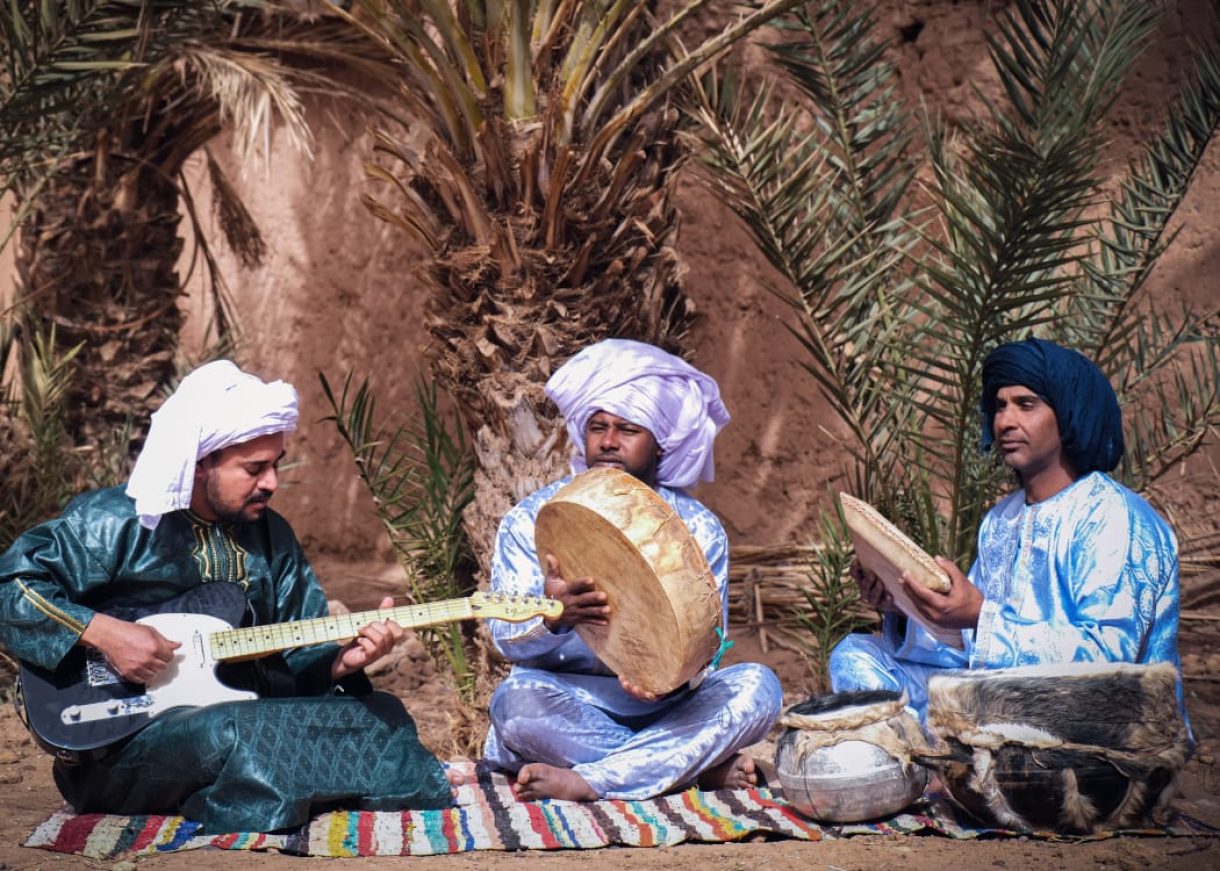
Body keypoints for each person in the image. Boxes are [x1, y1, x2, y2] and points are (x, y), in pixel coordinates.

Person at [0, 361, 452, 833]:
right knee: (239, 731)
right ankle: (266, 786)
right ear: (199, 463)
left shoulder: (272, 535)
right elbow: (13, 587)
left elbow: (299, 655)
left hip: (243, 713)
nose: (272, 482)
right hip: (118, 744)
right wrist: (106, 635)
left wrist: (341, 663)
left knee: (382, 715)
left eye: (275, 464)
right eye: (254, 468)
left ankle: (242, 790)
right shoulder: (117, 521)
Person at [483, 338, 783, 802]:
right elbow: (503, 636)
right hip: (568, 703)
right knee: (515, 706)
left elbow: (711, 645)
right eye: (598, 426)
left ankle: (592, 780)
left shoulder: (697, 529)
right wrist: (552, 618)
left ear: (660, 442)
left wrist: (671, 682)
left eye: (628, 429)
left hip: (671, 710)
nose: (607, 441)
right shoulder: (534, 517)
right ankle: (686, 769)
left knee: (758, 688)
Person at [829, 338, 1183, 720]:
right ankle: (932, 763)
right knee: (855, 655)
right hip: (998, 697)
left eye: (1026, 404)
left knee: (985, 706)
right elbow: (973, 648)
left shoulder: (1115, 516)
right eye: (999, 406)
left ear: (1068, 413)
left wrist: (981, 616)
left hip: (1099, 722)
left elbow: (1109, 657)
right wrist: (902, 607)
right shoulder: (1000, 521)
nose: (1005, 421)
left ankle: (928, 761)